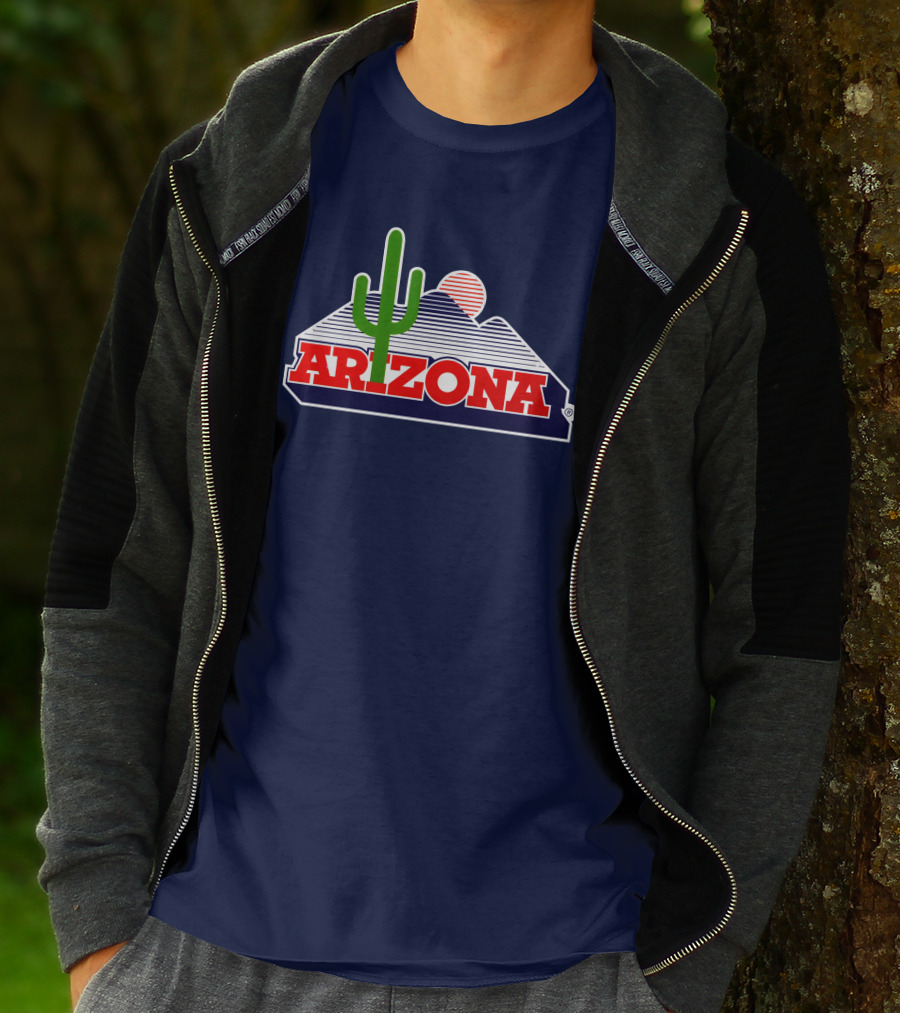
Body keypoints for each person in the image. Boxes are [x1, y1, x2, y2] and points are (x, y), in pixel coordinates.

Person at [36, 0, 849, 1011]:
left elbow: (782, 630)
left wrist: (682, 971)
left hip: (569, 969)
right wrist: (101, 930)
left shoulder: (721, 229)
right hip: (208, 955)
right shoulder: (230, 181)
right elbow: (113, 571)